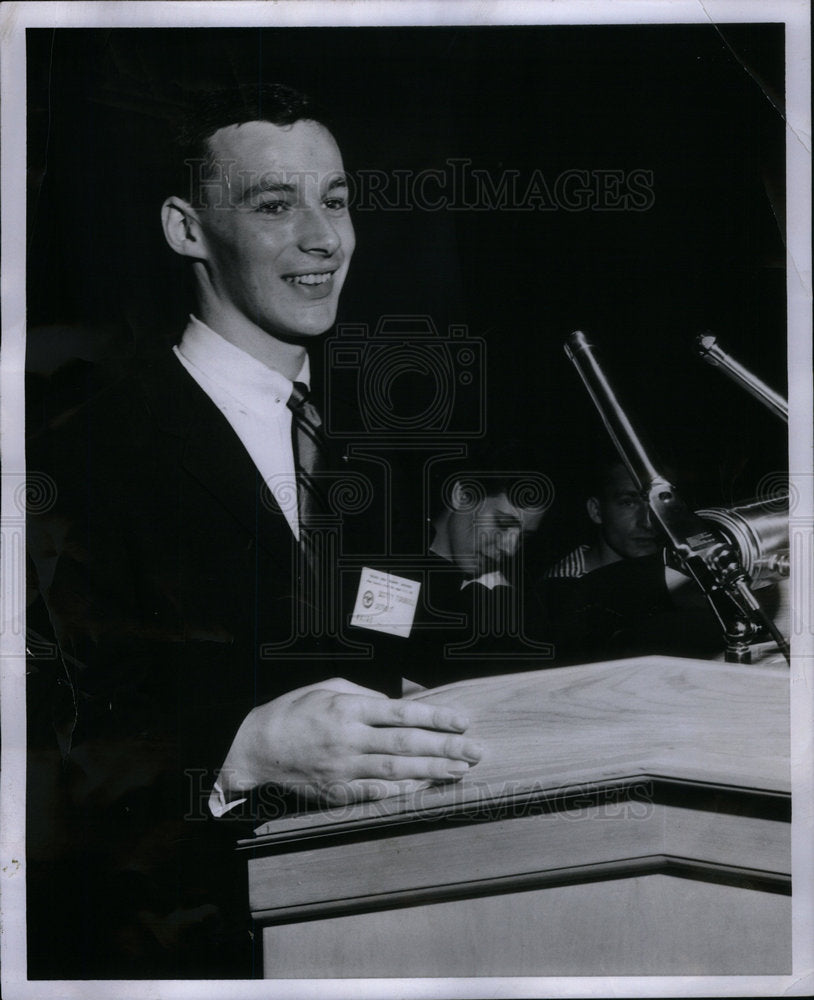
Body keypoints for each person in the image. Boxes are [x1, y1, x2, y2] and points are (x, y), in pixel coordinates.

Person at [26, 84, 482, 978]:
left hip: (390, 922)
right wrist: (241, 756)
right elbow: (57, 762)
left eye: (337, 200)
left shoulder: (375, 452)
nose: (324, 239)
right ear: (186, 229)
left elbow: (422, 636)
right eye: (276, 205)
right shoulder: (81, 458)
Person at [395, 445, 553, 688]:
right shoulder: (390, 560)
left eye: (523, 538)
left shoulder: (503, 601)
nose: (510, 549)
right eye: (502, 524)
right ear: (463, 495)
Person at [538, 459, 723, 663]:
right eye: (628, 502)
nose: (648, 522)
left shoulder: (684, 578)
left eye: (662, 503)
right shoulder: (558, 592)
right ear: (596, 511)